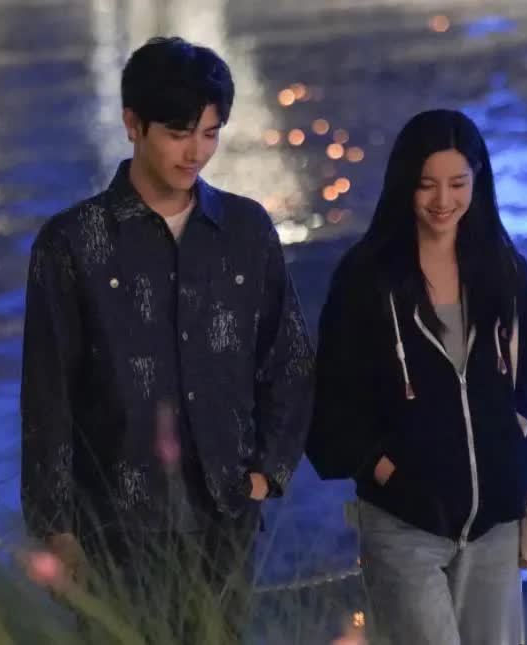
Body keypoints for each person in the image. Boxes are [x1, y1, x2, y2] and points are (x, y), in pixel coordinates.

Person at [20, 36, 314, 641]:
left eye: (210, 133)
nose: (195, 152)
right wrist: (55, 526)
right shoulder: (72, 242)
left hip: (224, 518)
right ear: (133, 124)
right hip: (111, 527)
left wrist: (265, 474)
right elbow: (47, 396)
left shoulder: (245, 230)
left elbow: (288, 360)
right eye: (179, 133)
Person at [306, 109, 527, 645]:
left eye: (458, 184)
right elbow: (332, 402)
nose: (443, 200)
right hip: (404, 526)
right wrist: (386, 471)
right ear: (404, 184)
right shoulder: (366, 279)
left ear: (478, 182)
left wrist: (510, 445)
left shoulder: (503, 269)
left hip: (493, 522)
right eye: (427, 185)